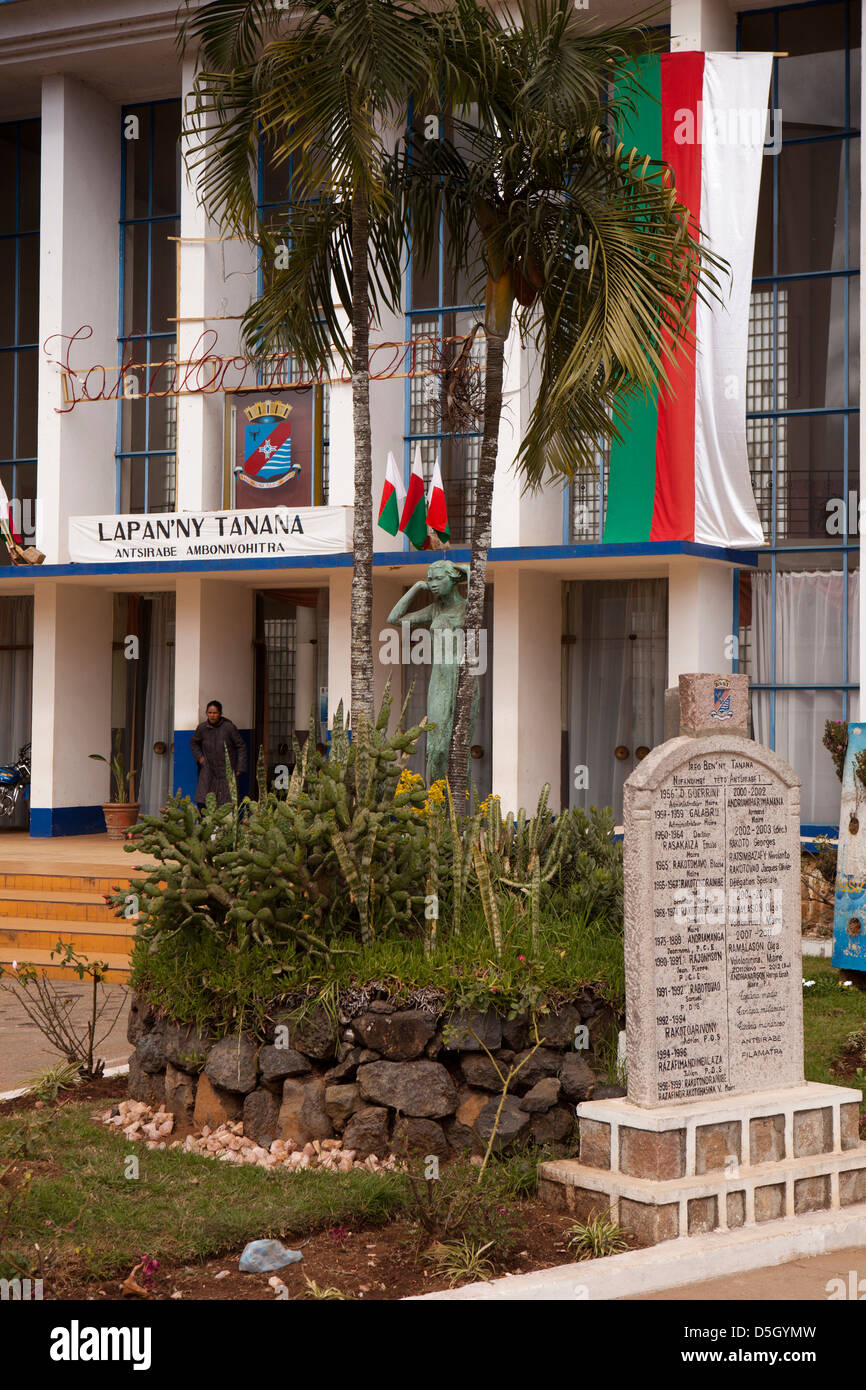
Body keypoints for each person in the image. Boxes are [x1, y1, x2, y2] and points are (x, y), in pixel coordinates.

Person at [387, 559, 480, 785]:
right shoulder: (435, 609)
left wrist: (461, 569)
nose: (433, 584)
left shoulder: (470, 605)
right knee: (436, 746)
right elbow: (394, 619)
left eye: (439, 578)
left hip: (463, 680)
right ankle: (436, 799)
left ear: (455, 579)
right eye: (431, 579)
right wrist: (417, 587)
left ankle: (456, 804)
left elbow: (478, 582)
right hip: (439, 681)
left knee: (458, 747)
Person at [190, 700, 248, 809]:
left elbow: (241, 746)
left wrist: (240, 767)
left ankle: (225, 826)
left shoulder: (229, 727)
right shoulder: (202, 728)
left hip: (226, 770)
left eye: (215, 713)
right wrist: (201, 759)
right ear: (206, 713)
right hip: (208, 770)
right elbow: (194, 742)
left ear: (220, 713)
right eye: (210, 713)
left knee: (226, 802)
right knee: (207, 801)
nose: (212, 716)